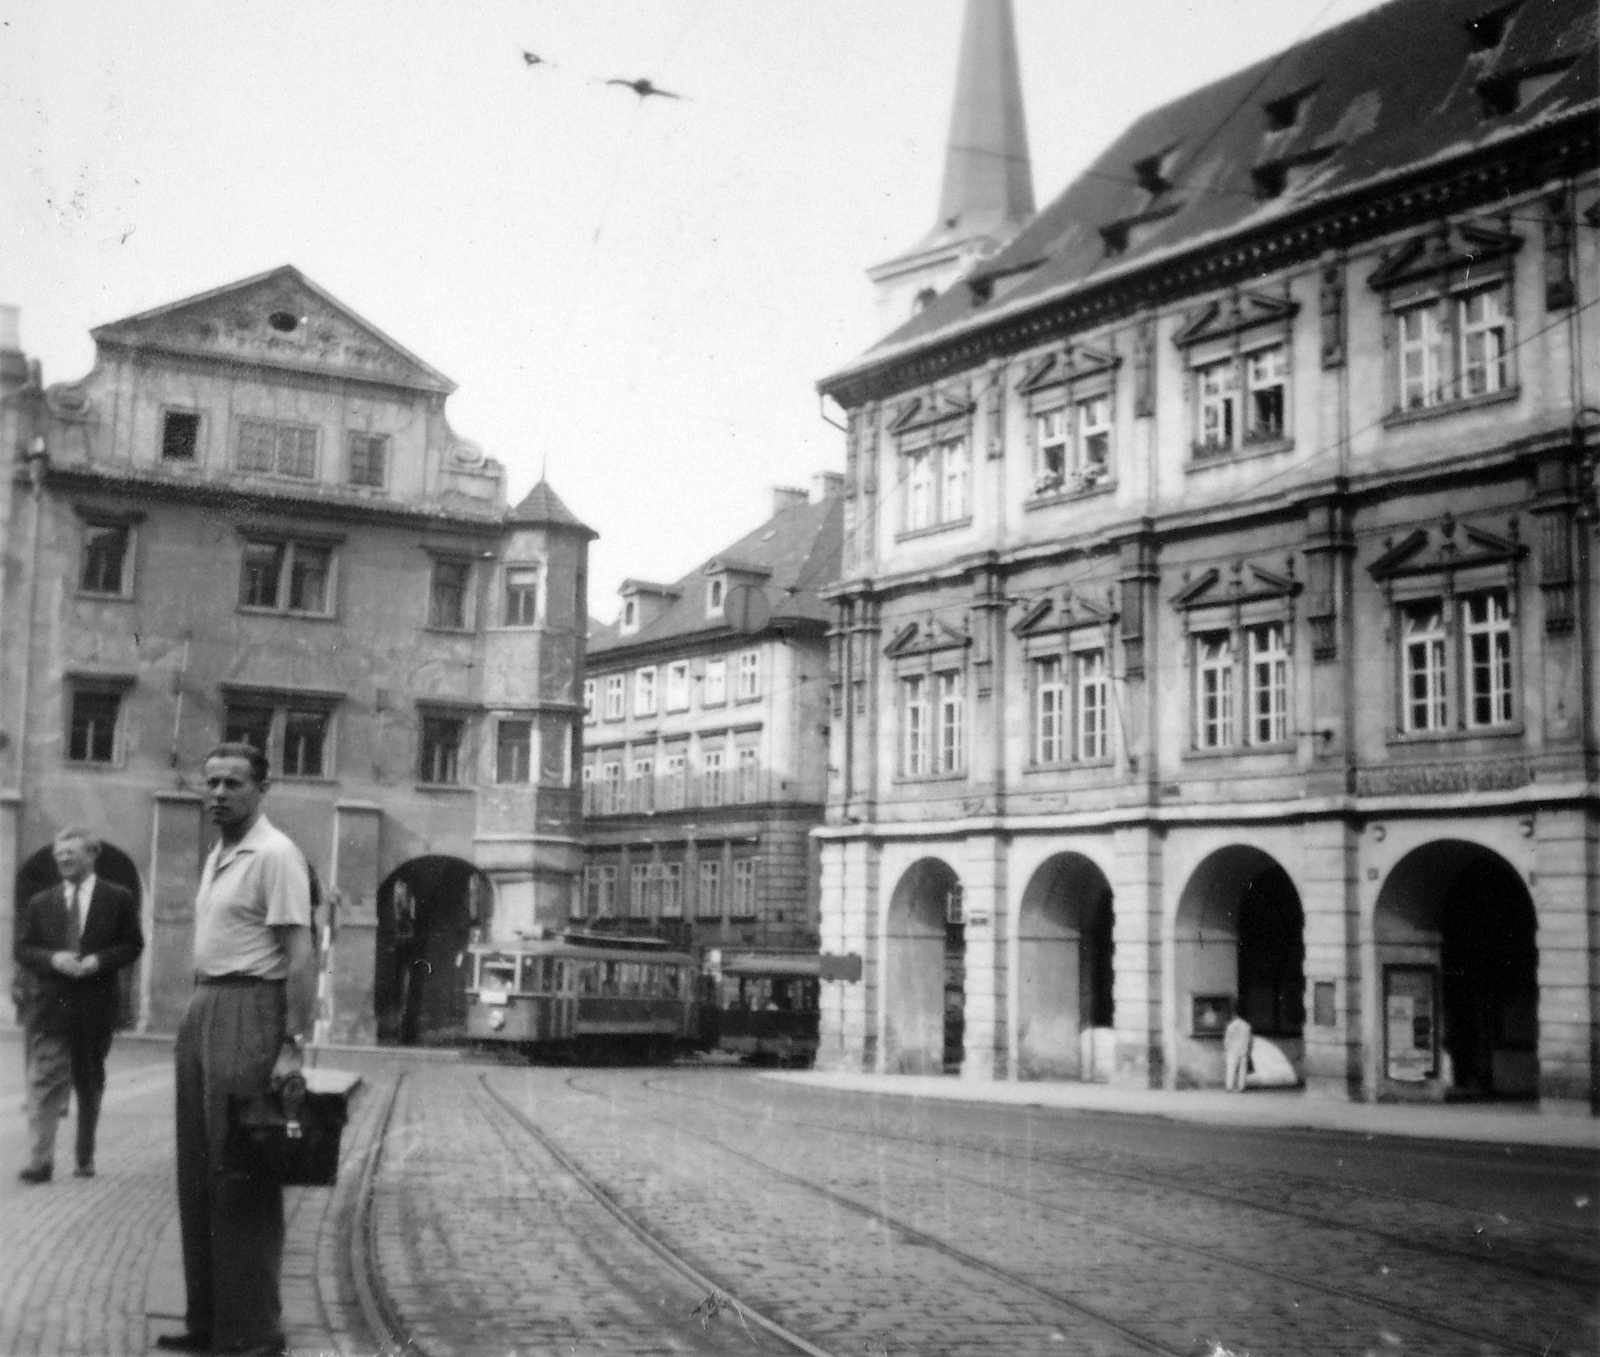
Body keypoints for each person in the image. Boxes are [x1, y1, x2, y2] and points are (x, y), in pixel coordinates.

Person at [157, 743, 316, 1357]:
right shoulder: (221, 852)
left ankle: (252, 1333)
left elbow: (300, 955)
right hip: (206, 1007)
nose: (218, 793)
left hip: (251, 1008)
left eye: (234, 784)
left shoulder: (275, 855)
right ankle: (209, 1323)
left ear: (262, 790)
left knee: (241, 1172)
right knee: (198, 1174)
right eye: (212, 782)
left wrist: (292, 1044)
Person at [14, 827, 144, 1183]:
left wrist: (98, 962)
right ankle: (40, 1161)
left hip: (96, 1008)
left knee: (88, 1083)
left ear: (92, 854)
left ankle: (84, 1154)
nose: (64, 859)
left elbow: (132, 945)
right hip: (52, 1007)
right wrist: (53, 958)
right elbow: (23, 948)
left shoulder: (118, 899)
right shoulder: (42, 902)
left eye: (71, 853)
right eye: (59, 855)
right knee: (44, 1081)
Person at [1224, 1003, 1253, 1093]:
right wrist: (1249, 1050)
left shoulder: (1231, 1026)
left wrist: (1226, 1048)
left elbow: (1227, 1039)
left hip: (1232, 1050)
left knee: (1231, 1068)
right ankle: (1241, 1087)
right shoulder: (1247, 1026)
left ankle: (1229, 1086)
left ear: (1235, 1015)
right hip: (1243, 1049)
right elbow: (1250, 1040)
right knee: (1242, 1070)